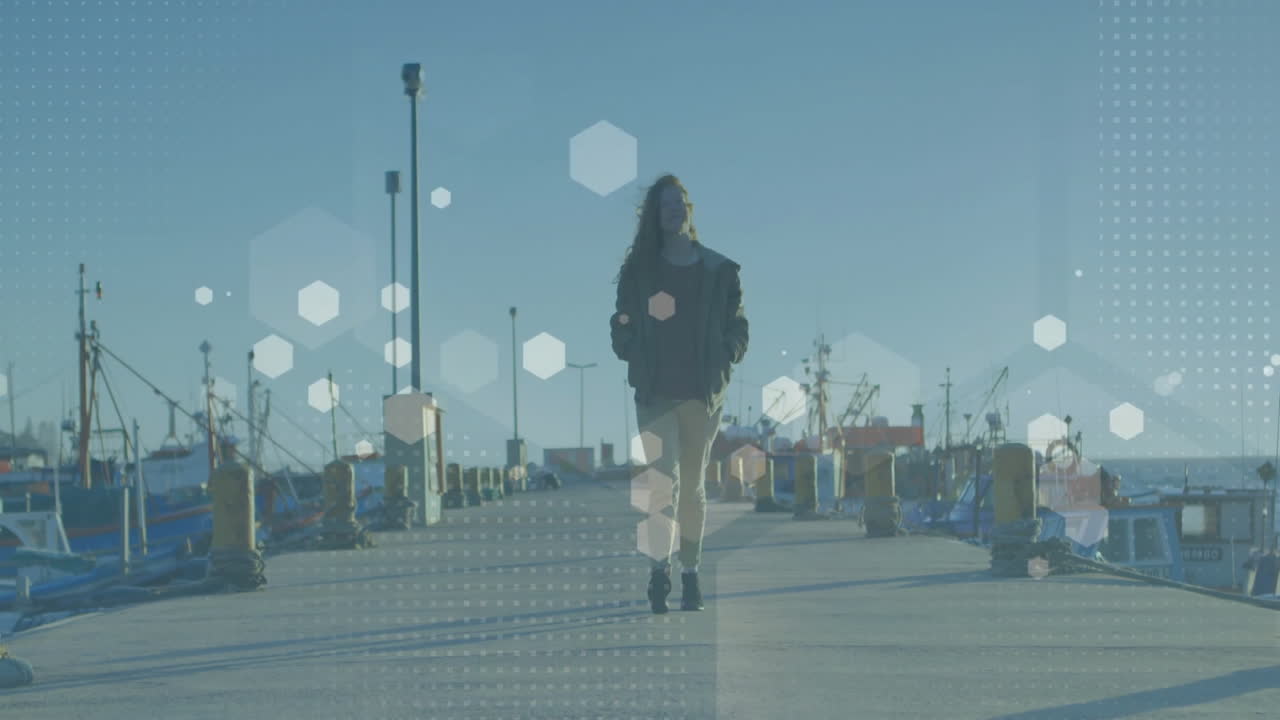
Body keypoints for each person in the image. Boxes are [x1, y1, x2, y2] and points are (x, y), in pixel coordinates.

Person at [609, 174, 749, 614]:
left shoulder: (719, 270)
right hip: (654, 393)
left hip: (701, 394)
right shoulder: (640, 270)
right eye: (666, 204)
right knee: (659, 486)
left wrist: (727, 355)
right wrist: (627, 346)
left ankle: (690, 574)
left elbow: (738, 326)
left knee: (692, 489)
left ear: (689, 210)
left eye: (681, 202)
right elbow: (623, 320)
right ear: (655, 214)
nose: (675, 209)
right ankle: (658, 571)